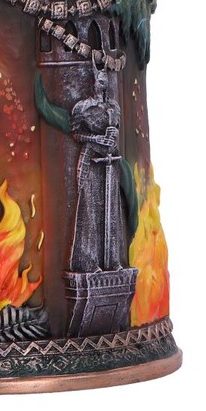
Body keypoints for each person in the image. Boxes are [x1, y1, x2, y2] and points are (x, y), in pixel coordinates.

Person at [69, 67, 127, 273]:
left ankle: (113, 261)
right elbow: (76, 134)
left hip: (111, 160)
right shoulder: (82, 107)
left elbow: (117, 130)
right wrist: (97, 139)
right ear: (92, 82)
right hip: (91, 158)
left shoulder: (113, 107)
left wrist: (112, 135)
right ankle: (88, 262)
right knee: (90, 209)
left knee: (111, 207)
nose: (103, 84)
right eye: (99, 81)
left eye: (105, 80)